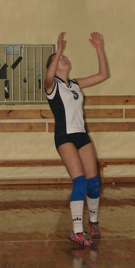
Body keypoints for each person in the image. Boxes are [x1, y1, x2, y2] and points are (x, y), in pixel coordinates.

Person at [45, 31, 109, 247]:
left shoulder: (74, 84)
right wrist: (58, 51)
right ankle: (77, 231)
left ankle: (93, 222)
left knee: (94, 182)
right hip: (64, 137)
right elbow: (48, 77)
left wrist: (99, 49)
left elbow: (102, 75)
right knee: (79, 182)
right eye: (59, 59)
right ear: (53, 66)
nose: (64, 59)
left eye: (64, 57)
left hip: (81, 135)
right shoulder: (51, 86)